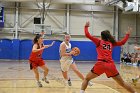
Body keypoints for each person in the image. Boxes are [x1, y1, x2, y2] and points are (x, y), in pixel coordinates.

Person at [80, 22, 137, 93]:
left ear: (102, 36)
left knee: (87, 79)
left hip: (100, 64)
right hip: (110, 65)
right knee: (122, 83)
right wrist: (127, 34)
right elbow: (122, 42)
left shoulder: (99, 41)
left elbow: (87, 35)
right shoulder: (112, 43)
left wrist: (86, 27)